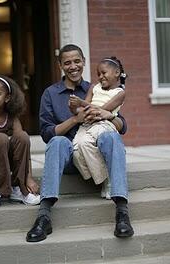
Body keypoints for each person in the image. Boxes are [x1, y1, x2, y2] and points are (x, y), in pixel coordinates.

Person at [26, 44, 134, 243]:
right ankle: (44, 215)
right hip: (69, 155)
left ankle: (122, 212)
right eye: (67, 62)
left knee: (111, 136)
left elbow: (122, 125)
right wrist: (75, 120)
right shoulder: (50, 94)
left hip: (95, 153)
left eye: (77, 61)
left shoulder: (98, 88)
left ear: (83, 62)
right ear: (60, 65)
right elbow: (47, 133)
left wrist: (108, 115)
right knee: (58, 142)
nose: (73, 66)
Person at [0, 74, 40, 209]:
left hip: (4, 164)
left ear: (7, 98)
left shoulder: (12, 118)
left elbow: (24, 150)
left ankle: (18, 188)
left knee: (22, 136)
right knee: (1, 138)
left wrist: (28, 177)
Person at [70, 57, 127, 200]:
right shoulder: (94, 87)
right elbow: (84, 107)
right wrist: (75, 108)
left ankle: (107, 184)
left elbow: (103, 110)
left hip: (104, 123)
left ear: (117, 73)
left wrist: (81, 102)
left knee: (87, 143)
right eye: (98, 74)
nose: (101, 77)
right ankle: (103, 178)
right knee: (77, 148)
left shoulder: (120, 93)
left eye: (104, 73)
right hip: (88, 122)